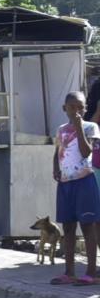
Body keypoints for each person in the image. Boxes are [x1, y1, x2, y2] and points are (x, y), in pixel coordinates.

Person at [51, 90, 100, 286]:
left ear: (86, 109)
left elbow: (86, 151)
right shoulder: (61, 128)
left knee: (88, 226)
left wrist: (79, 128)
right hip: (65, 183)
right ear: (65, 108)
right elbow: (58, 150)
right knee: (68, 227)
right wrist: (55, 168)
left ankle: (91, 273)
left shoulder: (91, 127)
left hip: (84, 182)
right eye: (72, 107)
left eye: (80, 107)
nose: (76, 111)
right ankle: (69, 271)